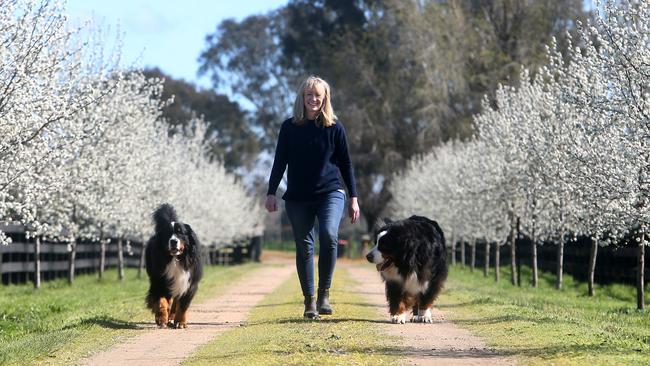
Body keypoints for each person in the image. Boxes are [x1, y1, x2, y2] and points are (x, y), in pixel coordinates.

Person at [265, 75, 360, 319]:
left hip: (331, 192)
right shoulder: (289, 127)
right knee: (305, 246)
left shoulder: (335, 128)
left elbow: (346, 164)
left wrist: (353, 197)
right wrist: (271, 192)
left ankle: (324, 294)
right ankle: (309, 301)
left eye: (318, 95)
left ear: (325, 98)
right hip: (297, 197)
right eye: (309, 94)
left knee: (329, 235)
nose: (313, 99)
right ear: (302, 98)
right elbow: (279, 162)